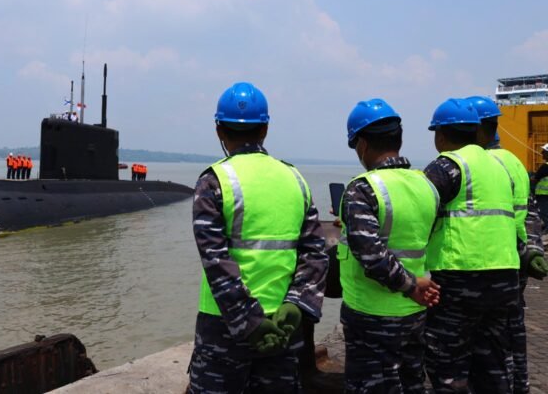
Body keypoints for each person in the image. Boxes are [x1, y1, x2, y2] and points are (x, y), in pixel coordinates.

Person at [187, 81, 328, 393]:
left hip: (225, 326)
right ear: (265, 129)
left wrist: (248, 322)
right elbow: (316, 253)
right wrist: (297, 305)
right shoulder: (295, 179)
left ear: (219, 130)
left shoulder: (214, 181)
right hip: (283, 325)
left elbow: (215, 261)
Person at [338, 98, 440, 393]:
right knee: (411, 383)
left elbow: (372, 255)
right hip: (414, 312)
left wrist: (410, 285)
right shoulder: (427, 185)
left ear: (362, 144)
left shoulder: (363, 188)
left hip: (371, 314)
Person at [422, 98, 521, 393]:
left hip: (459, 278)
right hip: (505, 277)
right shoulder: (499, 167)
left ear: (441, 135)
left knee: (447, 364)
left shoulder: (447, 166)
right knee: (493, 362)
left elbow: (417, 211)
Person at [467, 95, 547, 394]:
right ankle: (518, 384)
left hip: (486, 263)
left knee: (483, 343)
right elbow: (530, 213)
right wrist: (533, 250)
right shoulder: (514, 162)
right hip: (516, 260)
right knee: (512, 333)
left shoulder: (480, 165)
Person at [533, 143, 548, 229]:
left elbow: (535, 179)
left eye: (544, 151)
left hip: (543, 195)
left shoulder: (545, 167)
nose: (542, 153)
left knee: (544, 214)